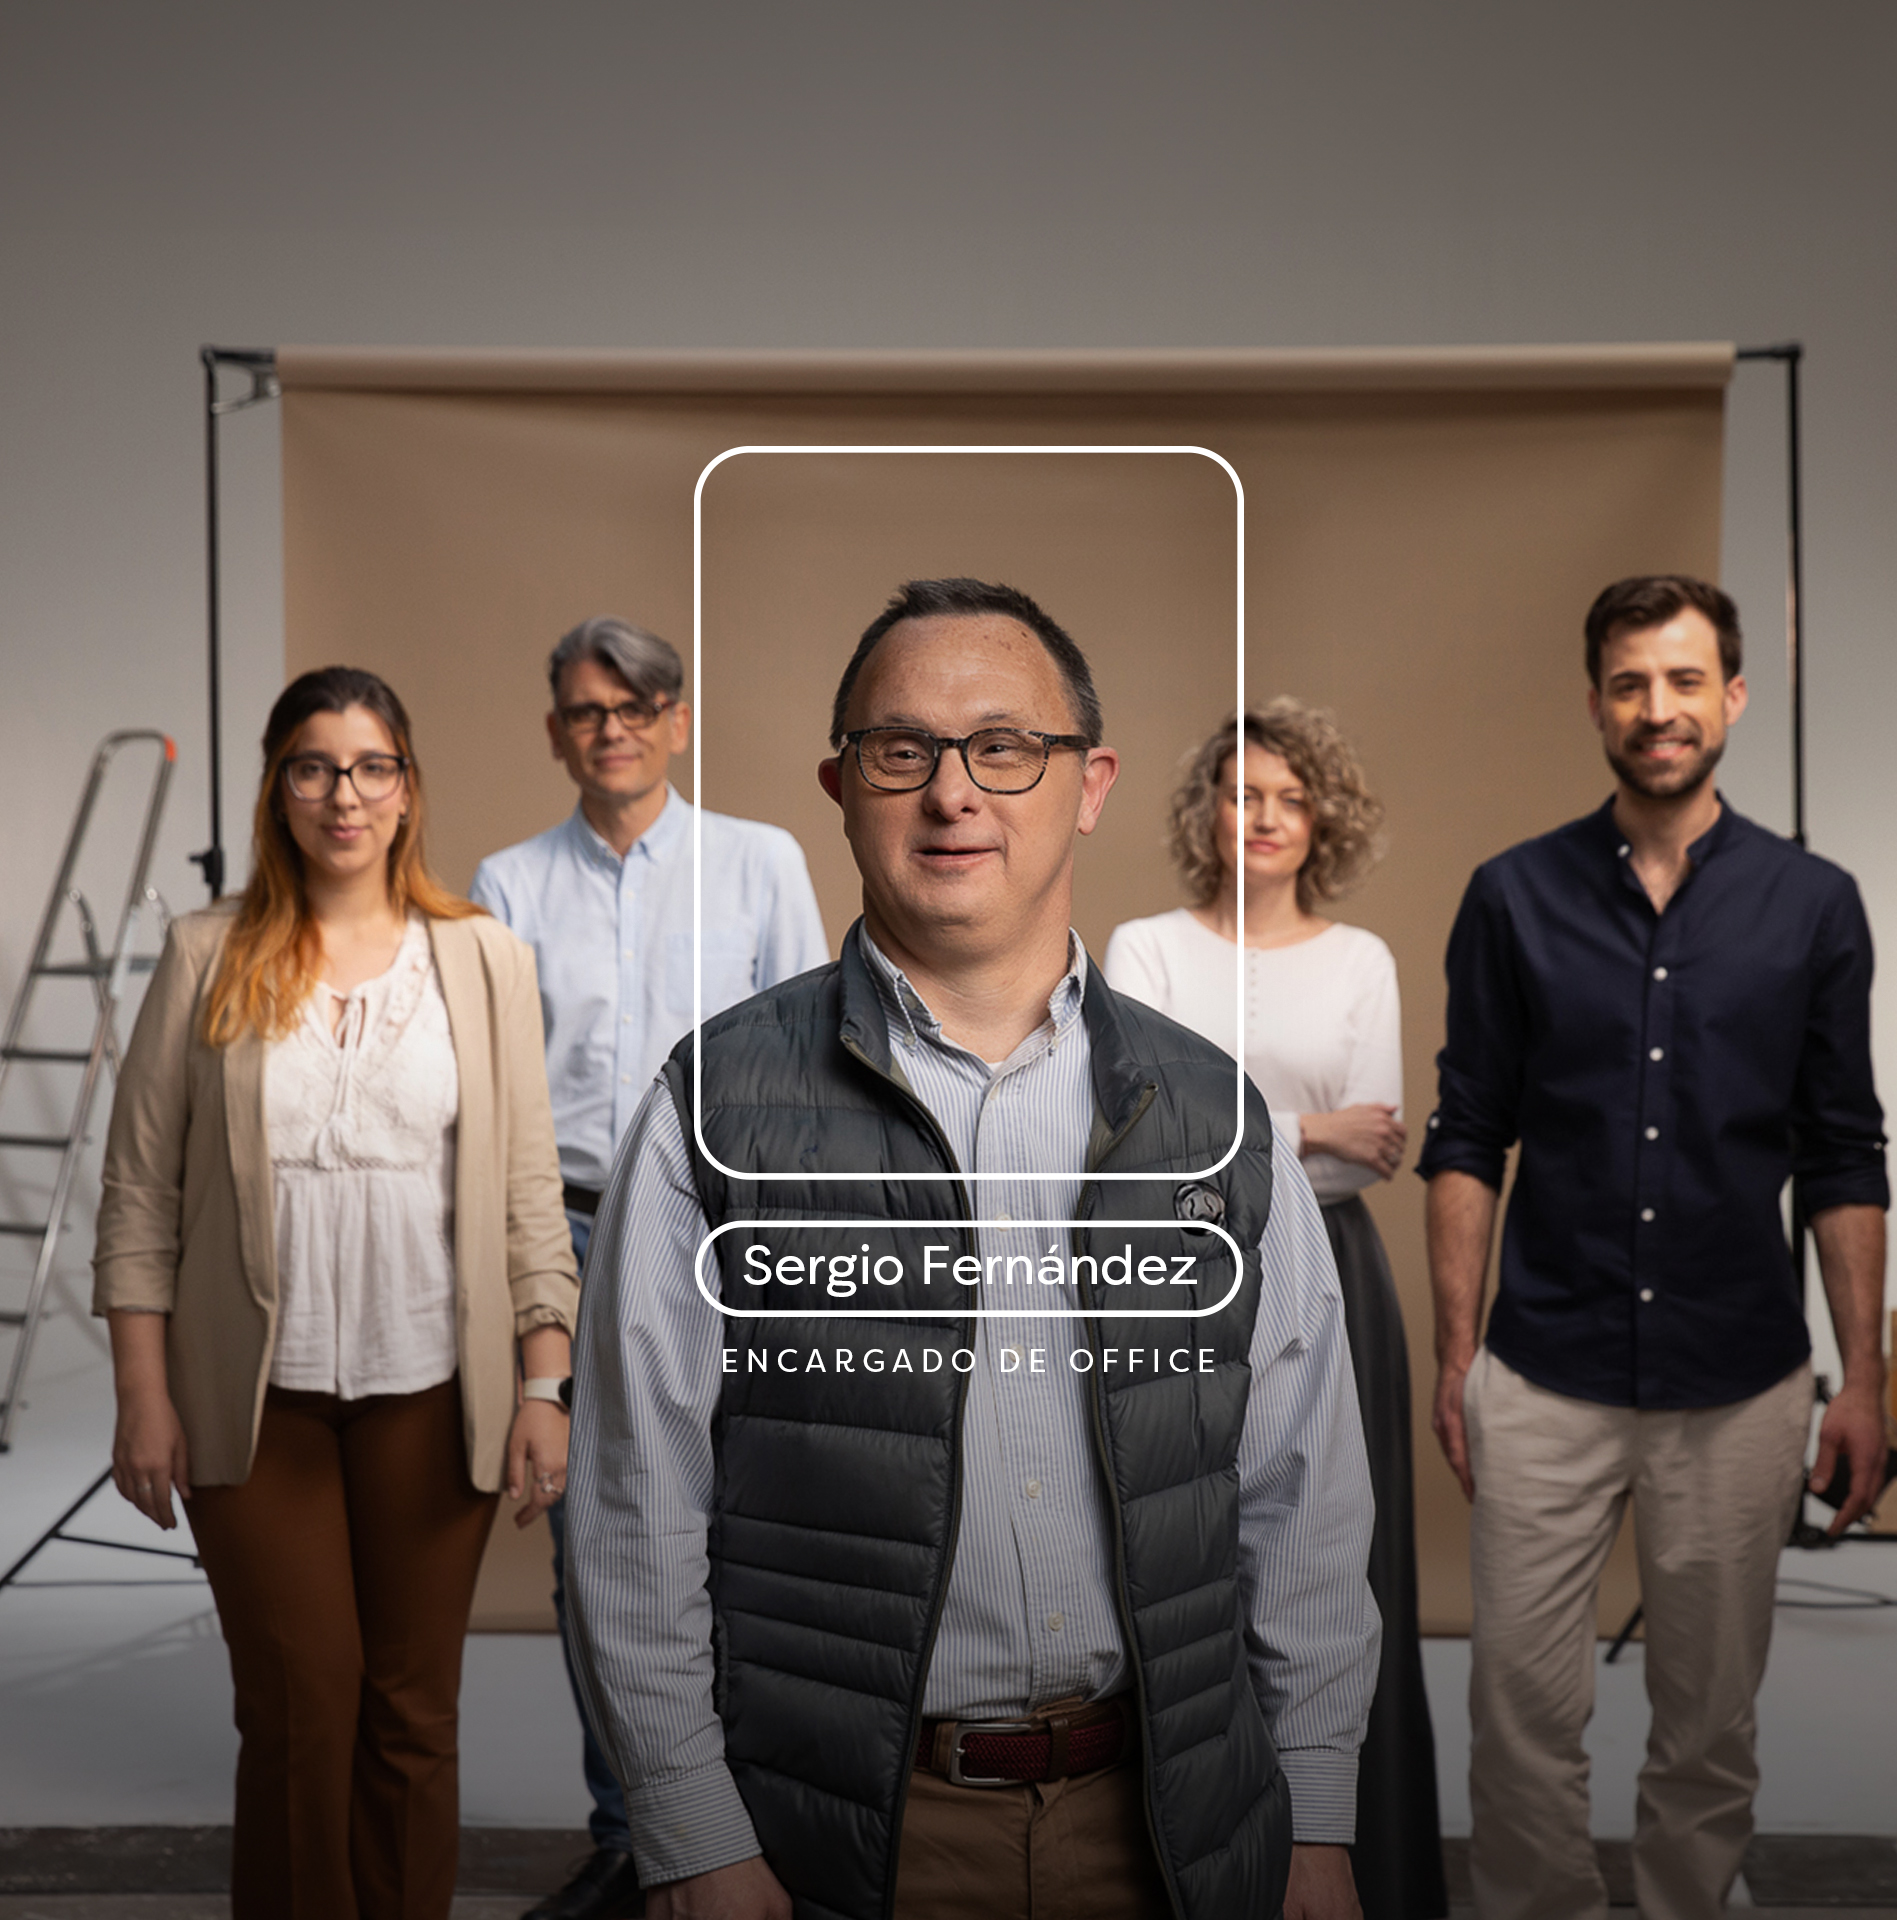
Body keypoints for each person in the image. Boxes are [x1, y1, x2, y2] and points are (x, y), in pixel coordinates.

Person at [567, 577, 1379, 1920]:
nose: (955, 793)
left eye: (1006, 747)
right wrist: (693, 1833)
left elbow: (1303, 1500)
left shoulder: (1214, 1122)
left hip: (1172, 1827)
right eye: (904, 750)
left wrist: (1318, 1813)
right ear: (839, 782)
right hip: (846, 1841)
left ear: (1091, 781)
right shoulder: (712, 1110)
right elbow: (632, 1509)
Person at [1418, 575, 1890, 1920]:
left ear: (1732, 696)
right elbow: (1467, 1137)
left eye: (1685, 680)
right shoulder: (1512, 896)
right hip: (1544, 1370)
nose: (1659, 707)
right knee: (1519, 1727)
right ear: (1596, 704)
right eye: (1631, 682)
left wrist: (1856, 1380)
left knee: (1707, 1730)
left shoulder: (1815, 905)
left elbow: (1843, 1155)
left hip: (1737, 1379)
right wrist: (1460, 1358)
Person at [94, 666, 579, 1920]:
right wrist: (142, 1395)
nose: (343, 793)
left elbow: (531, 1195)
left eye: (371, 766)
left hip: (435, 1392)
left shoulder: (482, 958)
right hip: (255, 1407)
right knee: (304, 1707)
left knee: (414, 1717)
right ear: (279, 789)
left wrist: (544, 1383)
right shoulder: (206, 952)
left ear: (408, 788)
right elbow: (140, 1195)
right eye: (314, 765)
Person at [471, 616, 827, 1920]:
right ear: (555, 731)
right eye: (582, 709)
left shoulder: (760, 862)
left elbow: (811, 1059)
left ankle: (751, 1824)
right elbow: (503, 1098)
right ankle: (632, 1841)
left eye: (633, 706)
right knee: (598, 1543)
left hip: (727, 1227)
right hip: (565, 1231)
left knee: (743, 1526)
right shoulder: (509, 884)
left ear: (676, 719)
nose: (609, 727)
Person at [1105, 697, 1448, 1920]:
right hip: (1172, 1281)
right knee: (1185, 1564)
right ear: (1207, 810)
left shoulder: (1361, 962)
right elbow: (1136, 1140)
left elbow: (1376, 1153)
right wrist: (1303, 1126)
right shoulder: (1144, 947)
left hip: (1339, 1279)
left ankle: (1349, 1865)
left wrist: (1234, 1124)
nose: (1262, 816)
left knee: (1335, 1568)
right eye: (1241, 792)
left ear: (1322, 820)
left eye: (1288, 797)